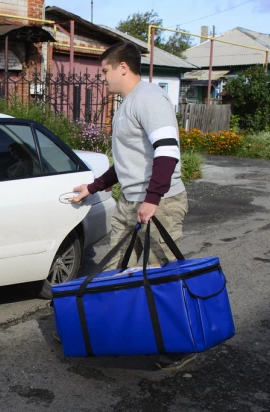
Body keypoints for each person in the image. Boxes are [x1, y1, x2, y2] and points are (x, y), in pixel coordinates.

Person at [70, 42, 193, 370]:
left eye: (105, 71)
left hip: (159, 203)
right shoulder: (126, 104)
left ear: (123, 67)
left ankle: (178, 343)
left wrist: (152, 199)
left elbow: (167, 152)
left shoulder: (150, 98)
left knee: (159, 276)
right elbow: (126, 163)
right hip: (131, 202)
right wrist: (93, 187)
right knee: (116, 273)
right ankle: (115, 333)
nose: (104, 78)